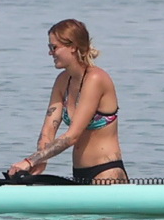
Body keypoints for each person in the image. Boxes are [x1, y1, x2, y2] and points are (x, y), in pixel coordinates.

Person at [9, 19, 127, 185]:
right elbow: (48, 131)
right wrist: (41, 159)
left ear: (73, 47)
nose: (51, 53)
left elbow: (72, 136)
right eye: (49, 47)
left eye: (54, 47)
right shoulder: (62, 81)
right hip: (79, 173)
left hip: (107, 172)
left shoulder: (95, 79)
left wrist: (30, 161)